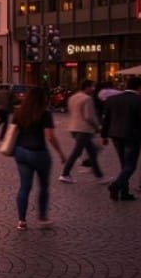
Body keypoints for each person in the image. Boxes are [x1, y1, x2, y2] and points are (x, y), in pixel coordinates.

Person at [11, 85, 65, 230]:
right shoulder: (44, 113)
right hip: (38, 152)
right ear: (43, 98)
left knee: (24, 187)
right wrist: (60, 152)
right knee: (43, 186)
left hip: (21, 151)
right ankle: (42, 217)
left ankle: (21, 221)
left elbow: (12, 132)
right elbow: (50, 136)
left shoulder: (19, 112)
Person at [101, 76, 141, 202]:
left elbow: (106, 120)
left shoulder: (112, 99)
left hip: (115, 135)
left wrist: (104, 135)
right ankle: (116, 186)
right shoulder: (140, 100)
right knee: (131, 165)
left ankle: (124, 192)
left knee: (124, 165)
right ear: (140, 87)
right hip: (132, 136)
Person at [59, 80, 105, 184]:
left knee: (92, 152)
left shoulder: (73, 97)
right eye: (92, 87)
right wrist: (97, 127)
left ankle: (99, 176)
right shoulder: (87, 99)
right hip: (84, 129)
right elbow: (89, 116)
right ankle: (65, 173)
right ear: (87, 87)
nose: (93, 89)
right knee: (77, 152)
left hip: (73, 128)